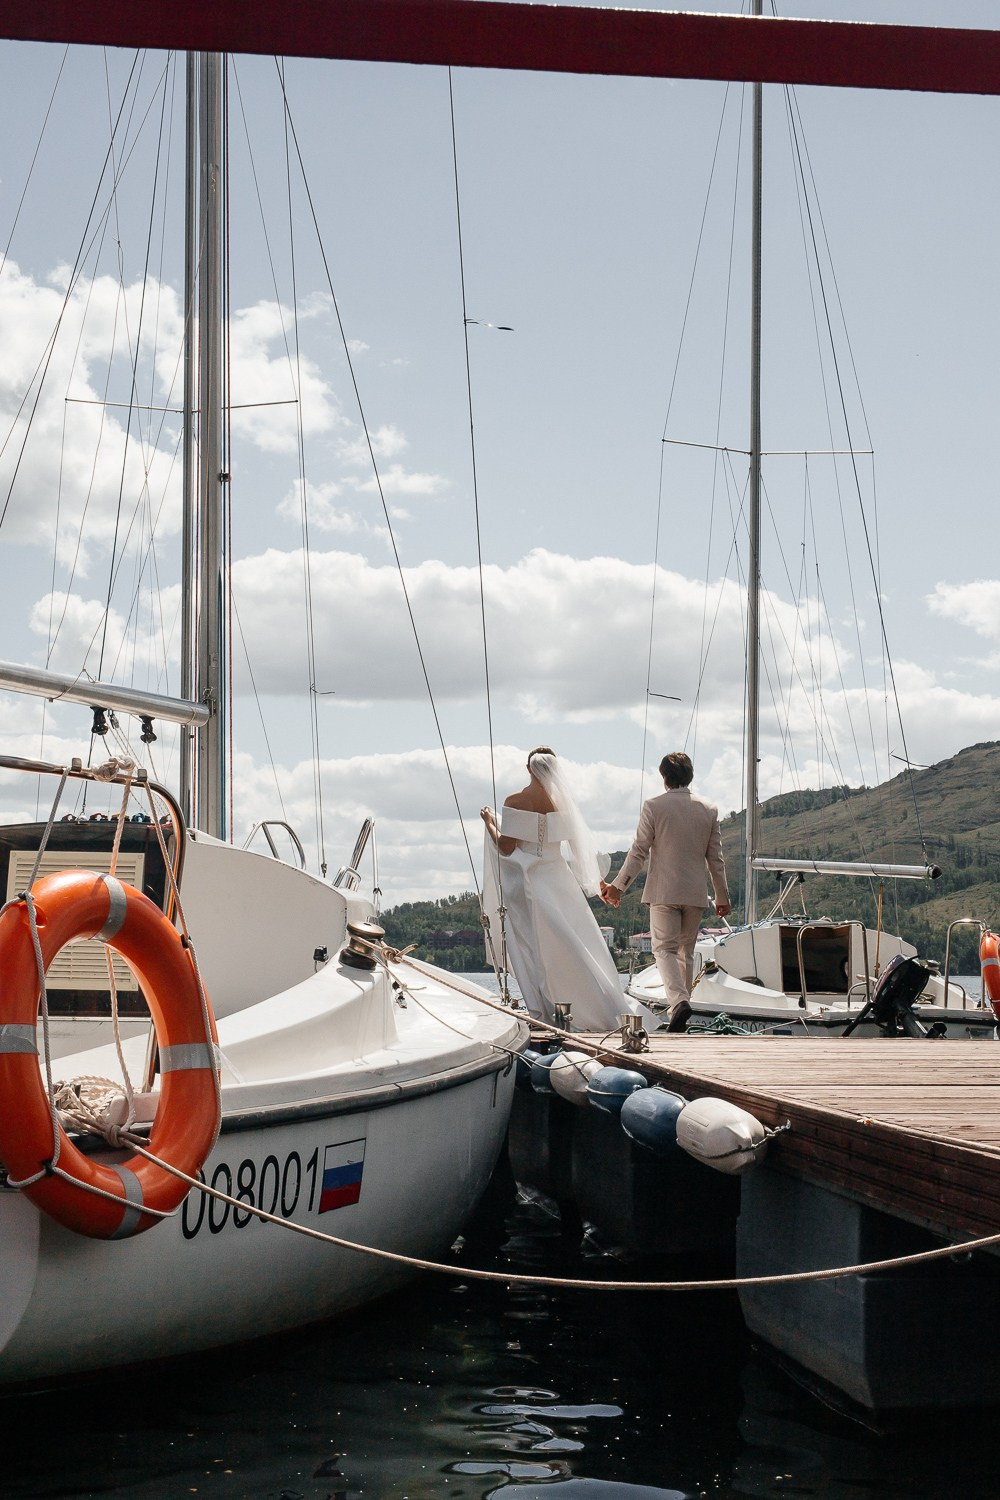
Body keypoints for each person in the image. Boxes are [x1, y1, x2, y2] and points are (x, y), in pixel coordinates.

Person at [481, 747, 656, 1032]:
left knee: (533, 947)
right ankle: (587, 1002)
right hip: (558, 879)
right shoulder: (564, 805)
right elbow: (578, 850)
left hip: (526, 883)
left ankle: (541, 1009)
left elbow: (506, 846)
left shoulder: (515, 800)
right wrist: (598, 883)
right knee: (573, 942)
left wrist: (490, 823)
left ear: (529, 769)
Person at [601, 751, 730, 1032]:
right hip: (695, 893)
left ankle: (680, 1002)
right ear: (690, 776)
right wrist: (722, 895)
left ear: (664, 778)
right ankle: (679, 1011)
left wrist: (618, 887)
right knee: (686, 951)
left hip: (663, 892)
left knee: (664, 949)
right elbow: (715, 858)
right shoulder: (708, 809)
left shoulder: (654, 806)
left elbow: (639, 852)